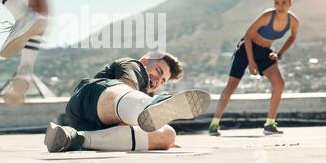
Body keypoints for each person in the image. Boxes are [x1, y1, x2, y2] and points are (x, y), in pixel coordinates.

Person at [44, 52, 211, 152]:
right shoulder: (134, 66)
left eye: (163, 80)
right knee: (133, 104)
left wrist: (157, 140)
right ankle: (150, 105)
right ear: (146, 61)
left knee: (168, 134)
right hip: (90, 99)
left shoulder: (144, 94)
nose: (157, 80)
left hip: (89, 126)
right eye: (158, 71)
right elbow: (124, 89)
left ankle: (73, 139)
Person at [208, 0, 300, 136]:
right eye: (277, 3)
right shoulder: (266, 16)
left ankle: (270, 124)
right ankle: (214, 124)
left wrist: (279, 54)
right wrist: (251, 62)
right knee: (231, 87)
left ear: (290, 3)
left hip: (264, 52)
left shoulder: (293, 21)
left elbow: (292, 37)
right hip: (246, 49)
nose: (280, 6)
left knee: (279, 84)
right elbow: (248, 36)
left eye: (284, 3)